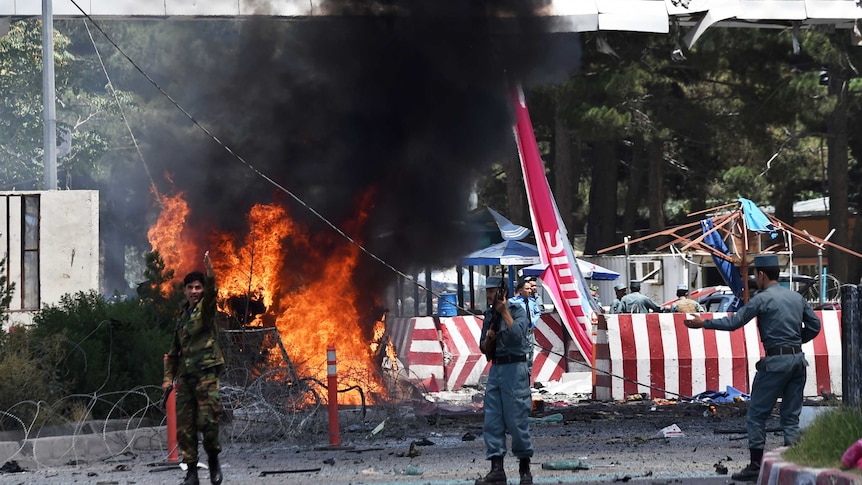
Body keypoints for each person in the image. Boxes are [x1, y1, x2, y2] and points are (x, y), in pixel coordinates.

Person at [684, 255, 821, 482]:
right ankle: (795, 464)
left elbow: (734, 323)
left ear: (761, 274)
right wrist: (795, 343)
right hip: (798, 362)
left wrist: (703, 323)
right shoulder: (797, 297)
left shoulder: (761, 299)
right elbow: (815, 326)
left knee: (757, 415)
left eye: (755, 275)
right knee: (790, 417)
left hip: (775, 364)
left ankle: (756, 465)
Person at [163, 251, 225, 485]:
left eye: (198, 287)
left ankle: (214, 462)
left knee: (209, 423)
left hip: (206, 374)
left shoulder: (206, 310)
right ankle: (191, 473)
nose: (194, 291)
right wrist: (168, 377)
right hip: (186, 378)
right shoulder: (182, 316)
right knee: (185, 428)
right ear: (185, 290)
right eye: (190, 287)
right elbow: (174, 350)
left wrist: (210, 272)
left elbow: (211, 295)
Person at [476, 276, 534, 485]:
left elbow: (519, 335)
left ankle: (524, 469)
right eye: (488, 292)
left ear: (504, 293)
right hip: (496, 369)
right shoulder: (489, 315)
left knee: (517, 419)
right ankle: (496, 468)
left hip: (514, 369)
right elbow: (483, 347)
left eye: (493, 292)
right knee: (492, 420)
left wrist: (504, 312)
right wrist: (490, 337)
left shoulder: (517, 310)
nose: (490, 296)